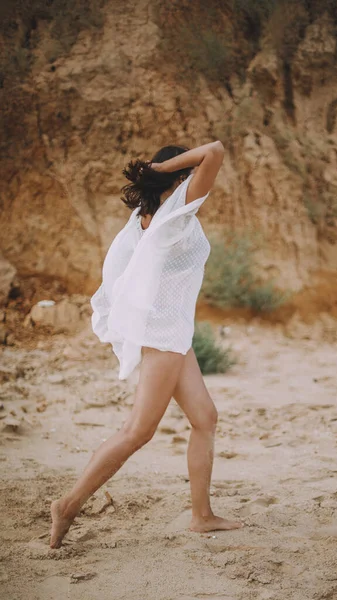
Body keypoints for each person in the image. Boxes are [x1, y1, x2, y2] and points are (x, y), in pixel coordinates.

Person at [50, 141, 243, 548]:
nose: (196, 179)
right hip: (164, 337)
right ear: (180, 177)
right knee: (137, 431)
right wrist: (166, 167)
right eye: (187, 174)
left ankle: (202, 516)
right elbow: (216, 150)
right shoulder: (177, 209)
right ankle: (68, 504)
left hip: (172, 333)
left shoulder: (147, 215)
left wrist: (161, 172)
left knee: (204, 417)